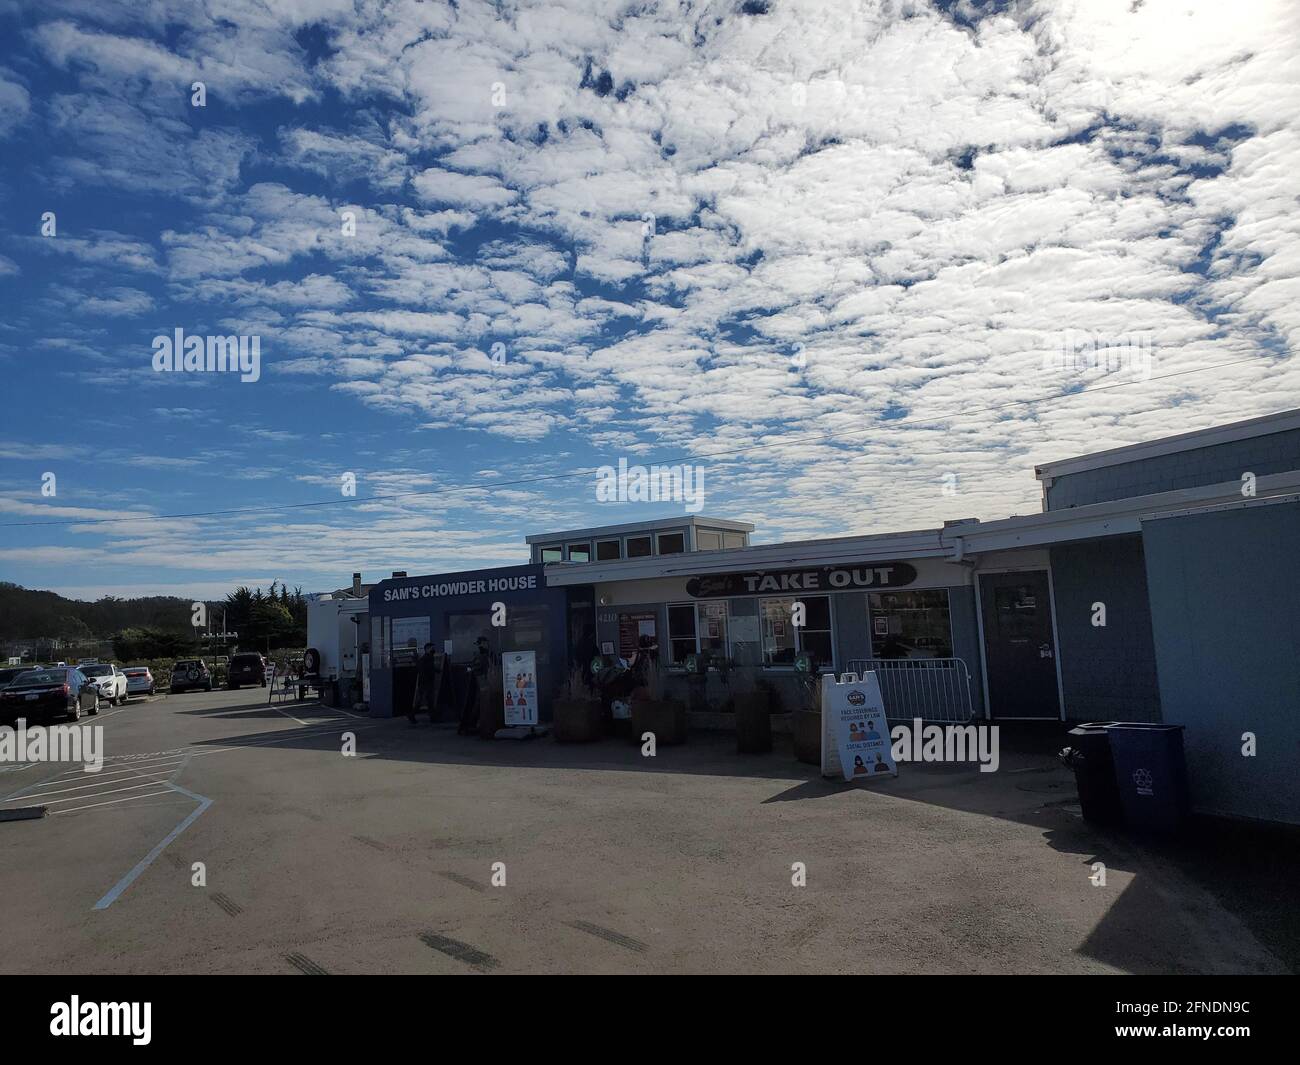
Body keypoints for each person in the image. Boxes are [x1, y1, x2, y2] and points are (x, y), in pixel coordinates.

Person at [409, 643, 439, 726]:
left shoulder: (425, 658)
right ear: (427, 649)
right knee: (427, 700)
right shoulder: (428, 658)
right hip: (426, 682)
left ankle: (414, 714)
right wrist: (437, 671)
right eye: (432, 648)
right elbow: (429, 669)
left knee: (426, 700)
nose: (433, 650)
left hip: (424, 682)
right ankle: (413, 714)